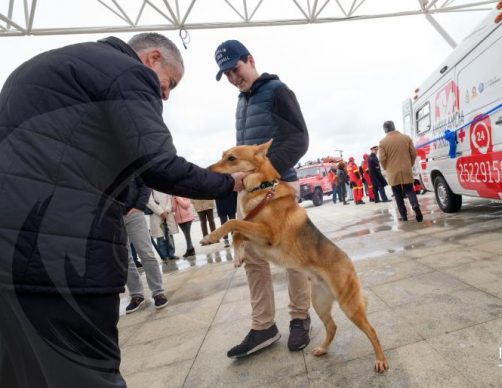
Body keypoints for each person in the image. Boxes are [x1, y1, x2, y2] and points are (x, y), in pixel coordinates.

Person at [0, 33, 247, 387]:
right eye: (170, 83)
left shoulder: (47, 69)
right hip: (60, 258)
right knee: (88, 372)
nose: (165, 94)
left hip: (10, 260)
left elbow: (79, 168)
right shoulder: (126, 72)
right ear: (153, 59)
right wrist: (228, 183)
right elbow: (158, 162)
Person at [215, 39, 311, 358]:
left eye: (235, 69)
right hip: (251, 193)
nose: (232, 77)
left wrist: (263, 174)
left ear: (250, 60)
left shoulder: (277, 91)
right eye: (226, 74)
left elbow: (299, 139)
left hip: (280, 186)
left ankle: (300, 317)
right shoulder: (241, 102)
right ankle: (263, 326)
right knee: (254, 259)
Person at [123, 177, 168, 314]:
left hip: (134, 212)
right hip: (112, 215)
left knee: (146, 252)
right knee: (124, 257)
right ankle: (136, 294)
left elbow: (145, 184)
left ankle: (158, 292)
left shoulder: (129, 159)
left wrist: (138, 206)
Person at [378, 120, 423, 222]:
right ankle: (415, 205)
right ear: (394, 127)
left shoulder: (382, 142)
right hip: (406, 168)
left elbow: (381, 159)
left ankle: (404, 216)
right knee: (410, 190)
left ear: (385, 130)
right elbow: (413, 153)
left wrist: (386, 168)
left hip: (392, 171)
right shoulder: (406, 138)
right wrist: (409, 164)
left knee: (397, 194)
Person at [148, 190, 179, 261]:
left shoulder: (164, 186)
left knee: (169, 235)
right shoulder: (149, 189)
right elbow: (150, 202)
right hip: (156, 215)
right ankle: (164, 256)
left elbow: (169, 200)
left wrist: (167, 211)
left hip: (167, 214)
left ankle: (171, 254)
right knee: (160, 237)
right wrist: (161, 212)